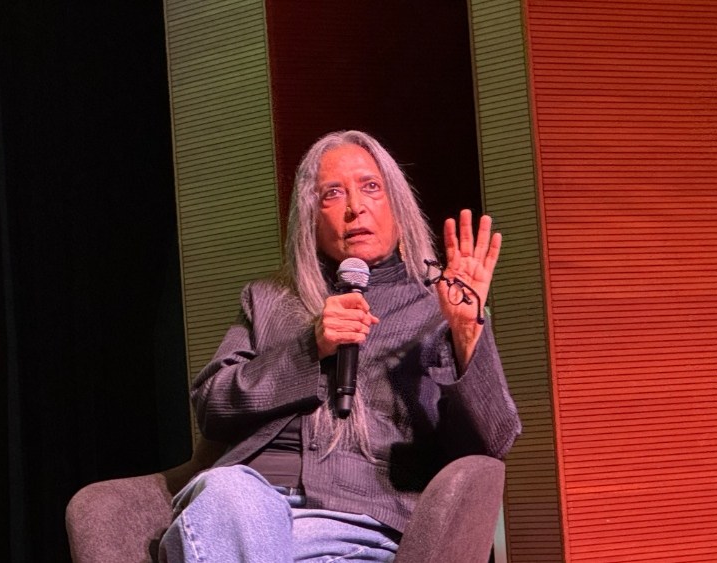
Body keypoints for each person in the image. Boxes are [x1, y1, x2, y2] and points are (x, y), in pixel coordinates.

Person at [161, 130, 521, 562]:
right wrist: (308, 348)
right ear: (311, 218)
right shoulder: (269, 300)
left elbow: (491, 443)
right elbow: (211, 408)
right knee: (228, 491)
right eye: (333, 193)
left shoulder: (437, 307)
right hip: (242, 507)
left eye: (371, 187)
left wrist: (466, 333)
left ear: (398, 207)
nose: (355, 207)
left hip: (356, 524)